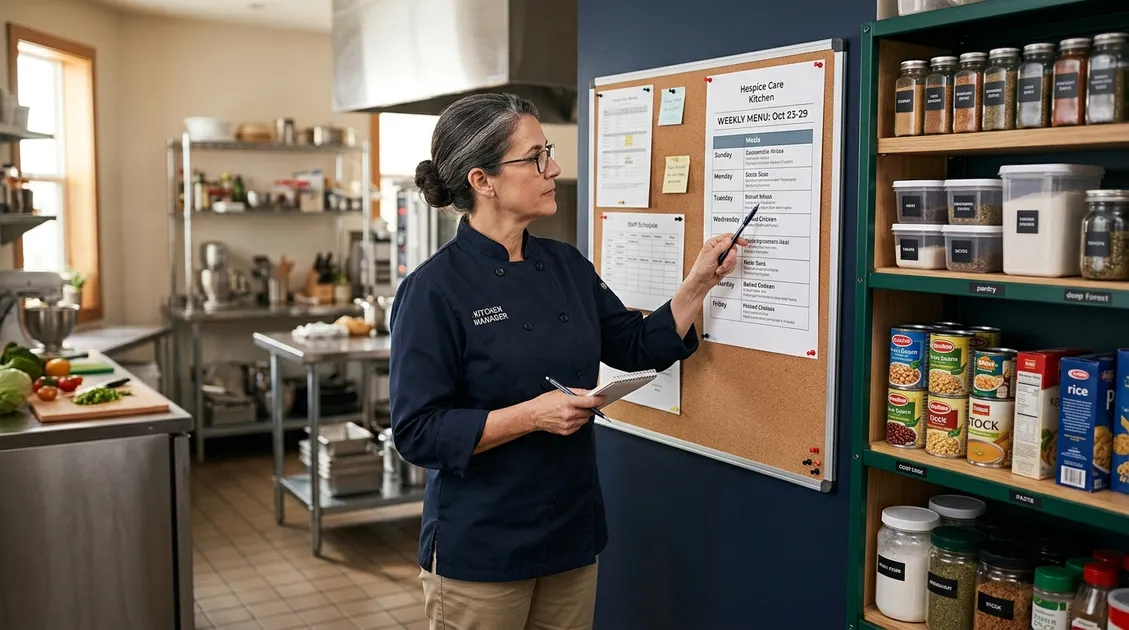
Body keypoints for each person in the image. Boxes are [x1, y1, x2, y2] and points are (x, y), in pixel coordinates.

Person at [388, 92, 746, 630]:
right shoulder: (432, 290)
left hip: (569, 534)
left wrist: (698, 283)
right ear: (483, 180)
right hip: (483, 548)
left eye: (547, 151)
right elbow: (416, 432)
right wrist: (533, 415)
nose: (553, 168)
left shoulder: (565, 264)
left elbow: (633, 343)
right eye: (535, 157)